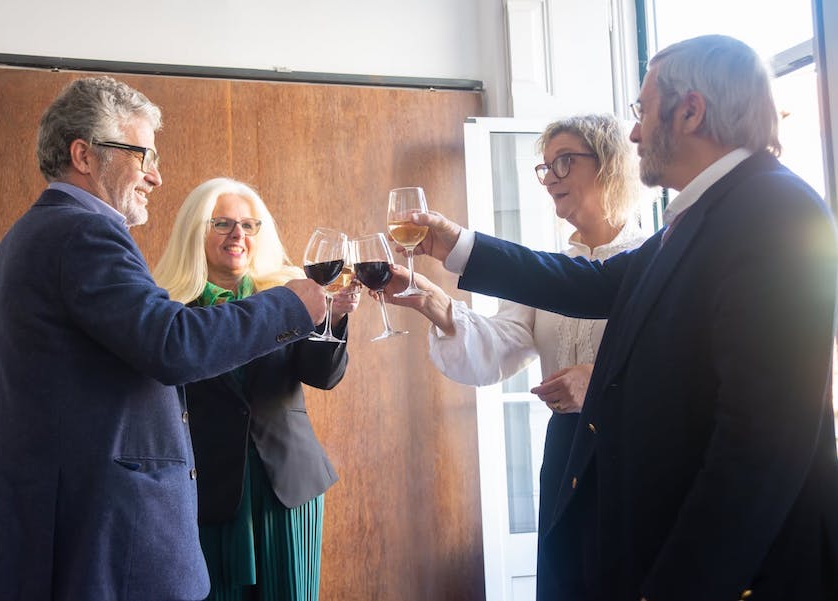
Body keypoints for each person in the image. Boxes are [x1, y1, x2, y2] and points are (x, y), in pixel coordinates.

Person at [401, 35, 838, 600]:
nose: (633, 133)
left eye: (641, 111)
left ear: (690, 111)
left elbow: (760, 444)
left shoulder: (776, 211)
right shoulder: (702, 216)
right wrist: (456, 244)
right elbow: (591, 282)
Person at [0, 77, 328, 601]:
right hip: (99, 546)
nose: (156, 176)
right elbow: (172, 344)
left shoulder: (31, 235)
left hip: (60, 537)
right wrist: (295, 303)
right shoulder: (84, 233)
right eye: (143, 155)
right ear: (84, 155)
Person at [381, 114, 646, 544]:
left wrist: (600, 384)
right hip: (565, 454)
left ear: (609, 163)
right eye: (545, 167)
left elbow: (684, 369)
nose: (549, 178)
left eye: (563, 161)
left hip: (636, 454)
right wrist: (433, 301)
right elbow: (500, 350)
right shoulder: (549, 272)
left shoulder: (651, 261)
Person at [154, 177, 358, 601]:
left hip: (287, 485)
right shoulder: (168, 310)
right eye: (224, 223)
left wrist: (333, 320)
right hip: (208, 489)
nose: (238, 235)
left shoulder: (287, 295)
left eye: (249, 225)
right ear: (197, 231)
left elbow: (323, 375)